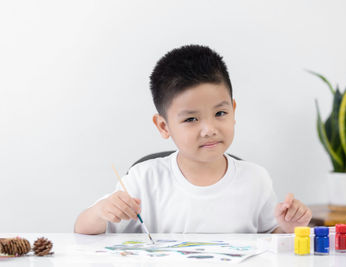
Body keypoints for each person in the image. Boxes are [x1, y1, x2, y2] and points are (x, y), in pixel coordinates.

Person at [74, 44, 312, 235]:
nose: (209, 129)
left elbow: (270, 238)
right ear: (163, 126)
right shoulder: (144, 179)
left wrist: (289, 228)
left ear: (234, 111)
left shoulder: (255, 179)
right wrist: (100, 211)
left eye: (220, 113)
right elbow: (82, 229)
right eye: (191, 119)